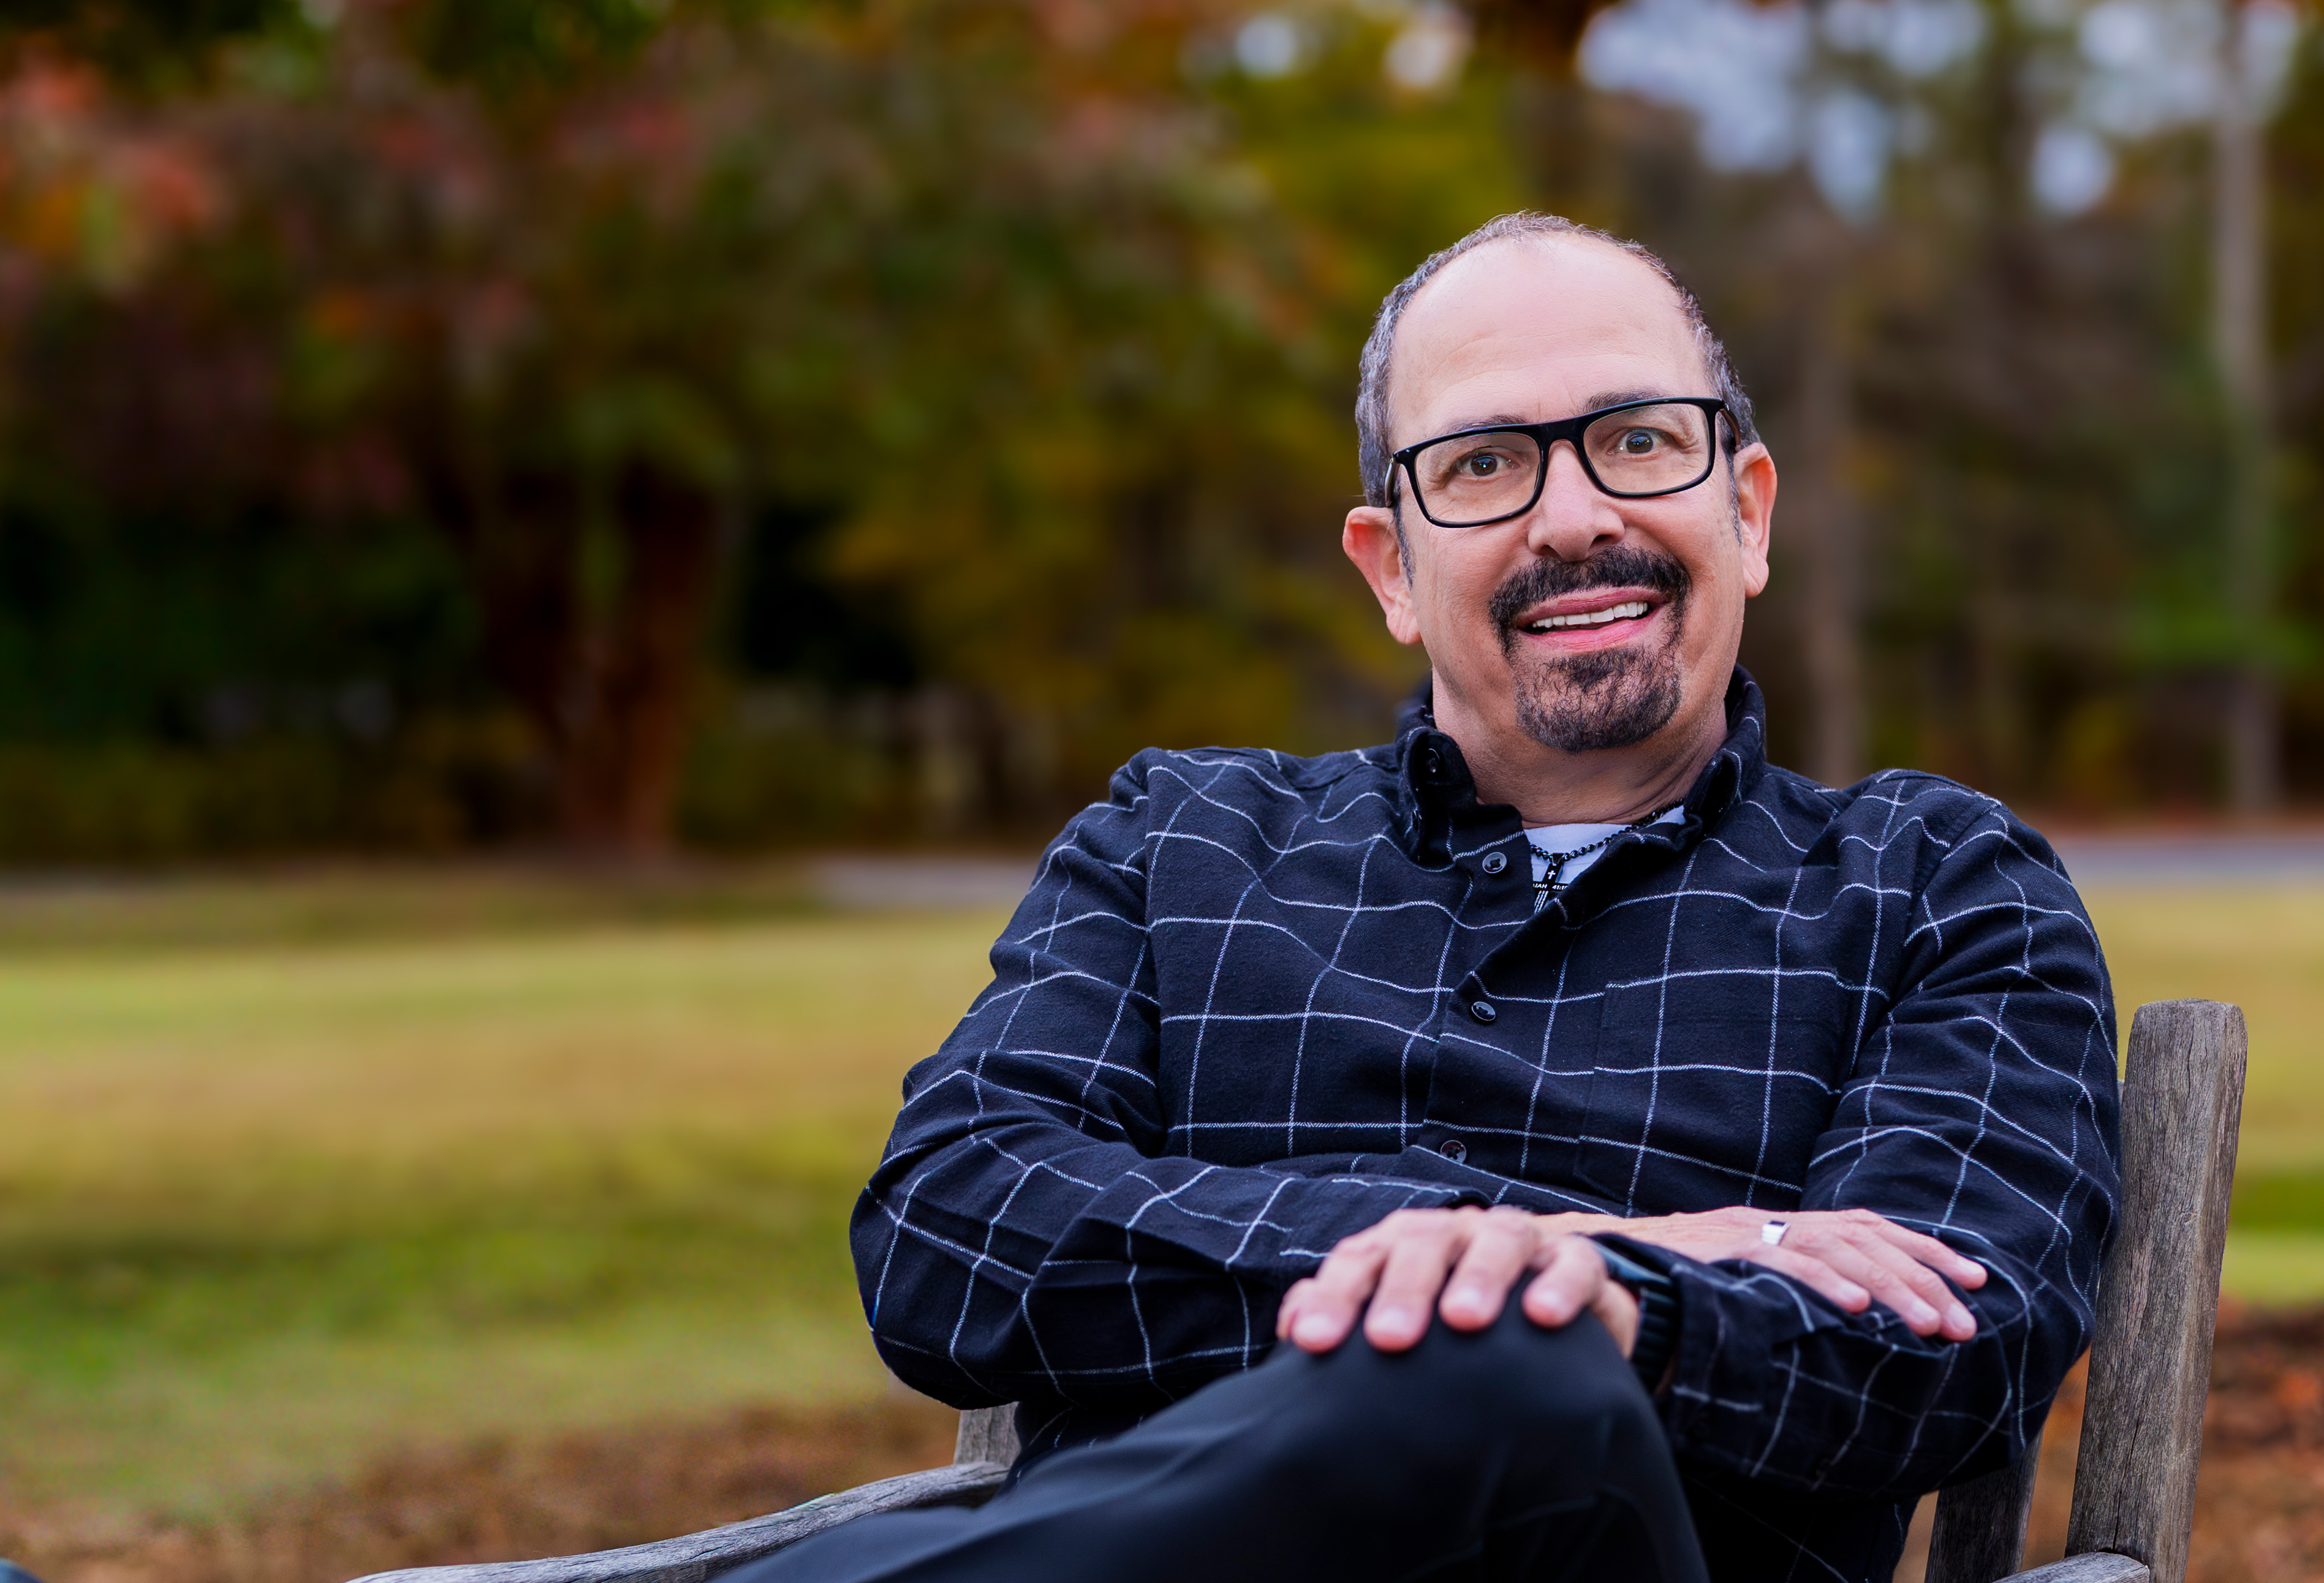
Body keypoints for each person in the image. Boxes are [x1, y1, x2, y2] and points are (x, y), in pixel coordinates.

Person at [722, 213, 2119, 1583]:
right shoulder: (1182, 841)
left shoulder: (1934, 883)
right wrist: (1565, 1243)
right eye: (1485, 463)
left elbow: (1945, 1340)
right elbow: (949, 1226)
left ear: (1744, 508)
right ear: (1392, 564)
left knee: (1529, 1376)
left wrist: (1566, 1309)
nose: (1574, 519)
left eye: (1638, 438)